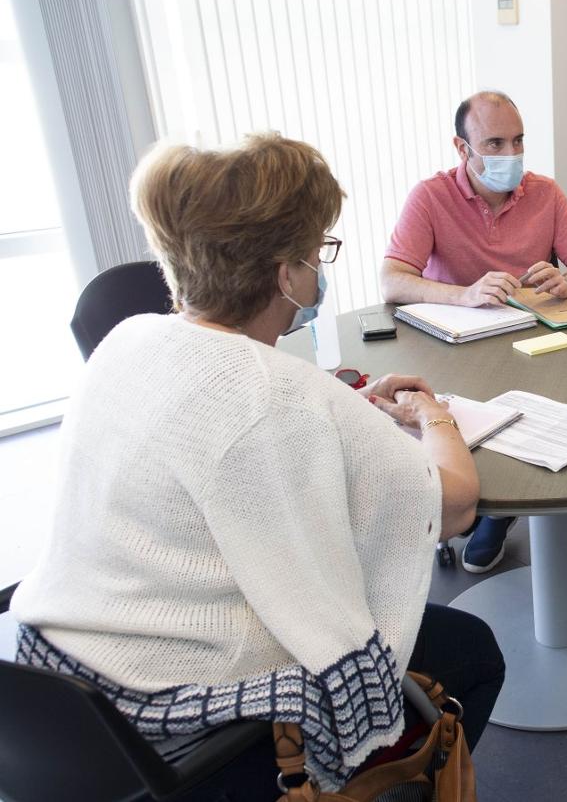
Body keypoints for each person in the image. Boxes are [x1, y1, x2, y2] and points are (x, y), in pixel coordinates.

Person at [10, 133, 504, 798]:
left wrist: (333, 414)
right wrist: (431, 412)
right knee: (472, 652)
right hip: (181, 740)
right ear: (285, 273)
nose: (319, 269)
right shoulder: (281, 396)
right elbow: (455, 505)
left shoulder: (124, 342)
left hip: (57, 697)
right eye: (319, 250)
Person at [380, 90, 567, 574]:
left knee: (550, 401)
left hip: (536, 341)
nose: (512, 155)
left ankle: (502, 509)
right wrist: (463, 293)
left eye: (519, 141)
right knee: (481, 418)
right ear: (463, 149)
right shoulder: (431, 196)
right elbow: (392, 280)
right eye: (496, 143)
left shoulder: (544, 192)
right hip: (459, 348)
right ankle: (487, 503)